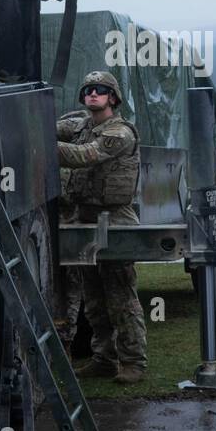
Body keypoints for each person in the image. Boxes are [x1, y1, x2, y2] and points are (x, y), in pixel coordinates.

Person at [56, 70, 147, 385]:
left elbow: (85, 156)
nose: (93, 94)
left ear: (113, 97)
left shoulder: (120, 133)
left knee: (120, 295)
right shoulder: (78, 124)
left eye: (100, 90)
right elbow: (48, 126)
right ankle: (104, 359)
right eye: (88, 90)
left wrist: (42, 144)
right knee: (93, 299)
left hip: (115, 219)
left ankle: (133, 362)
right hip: (84, 217)